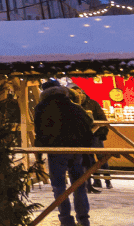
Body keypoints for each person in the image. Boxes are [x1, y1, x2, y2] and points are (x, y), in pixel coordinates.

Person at [35, 80, 94, 226]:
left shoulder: (42, 107)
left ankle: (66, 219)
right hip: (76, 149)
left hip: (56, 150)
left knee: (59, 186)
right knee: (79, 184)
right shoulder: (73, 106)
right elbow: (88, 123)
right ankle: (83, 218)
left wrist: (40, 152)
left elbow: (39, 131)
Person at [71, 86, 112, 192]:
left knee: (101, 157)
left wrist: (101, 131)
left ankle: (107, 180)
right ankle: (96, 180)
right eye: (76, 93)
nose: (79, 95)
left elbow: (103, 119)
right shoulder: (74, 105)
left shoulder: (92, 103)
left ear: (83, 93)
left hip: (96, 134)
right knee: (90, 159)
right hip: (83, 136)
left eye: (80, 93)